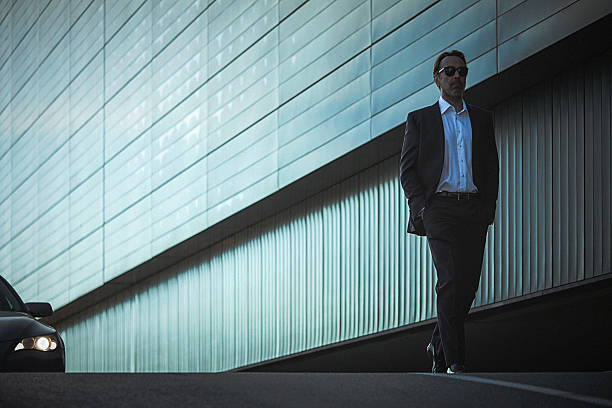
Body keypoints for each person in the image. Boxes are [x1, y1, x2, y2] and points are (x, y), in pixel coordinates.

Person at [399, 50, 499, 374]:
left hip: (473, 209)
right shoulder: (420, 119)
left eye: (462, 71)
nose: (457, 76)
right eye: (450, 71)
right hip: (438, 208)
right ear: (437, 78)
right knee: (450, 280)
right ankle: (454, 360)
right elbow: (407, 170)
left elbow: (491, 167)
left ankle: (437, 341)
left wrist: (488, 208)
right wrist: (422, 208)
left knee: (469, 286)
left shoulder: (482, 119)